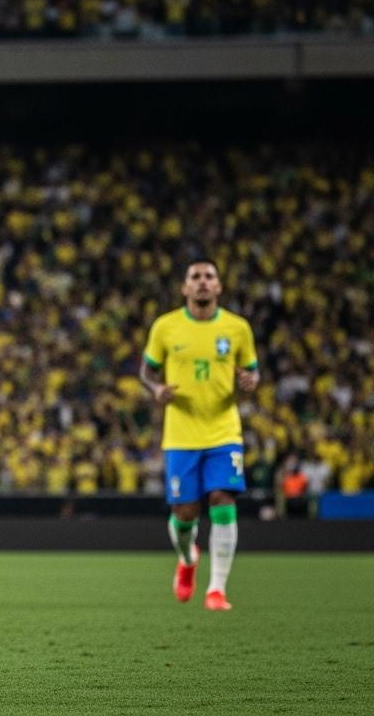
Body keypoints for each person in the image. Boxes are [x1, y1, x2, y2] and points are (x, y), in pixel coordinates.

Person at [140, 259, 259, 611]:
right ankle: (187, 559)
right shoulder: (166, 327)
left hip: (224, 430)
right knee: (185, 512)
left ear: (219, 286)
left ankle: (217, 589)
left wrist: (250, 381)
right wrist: (155, 388)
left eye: (209, 277)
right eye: (196, 277)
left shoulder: (238, 328)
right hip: (181, 435)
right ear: (185, 287)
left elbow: (251, 371)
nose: (203, 282)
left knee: (223, 498)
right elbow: (147, 370)